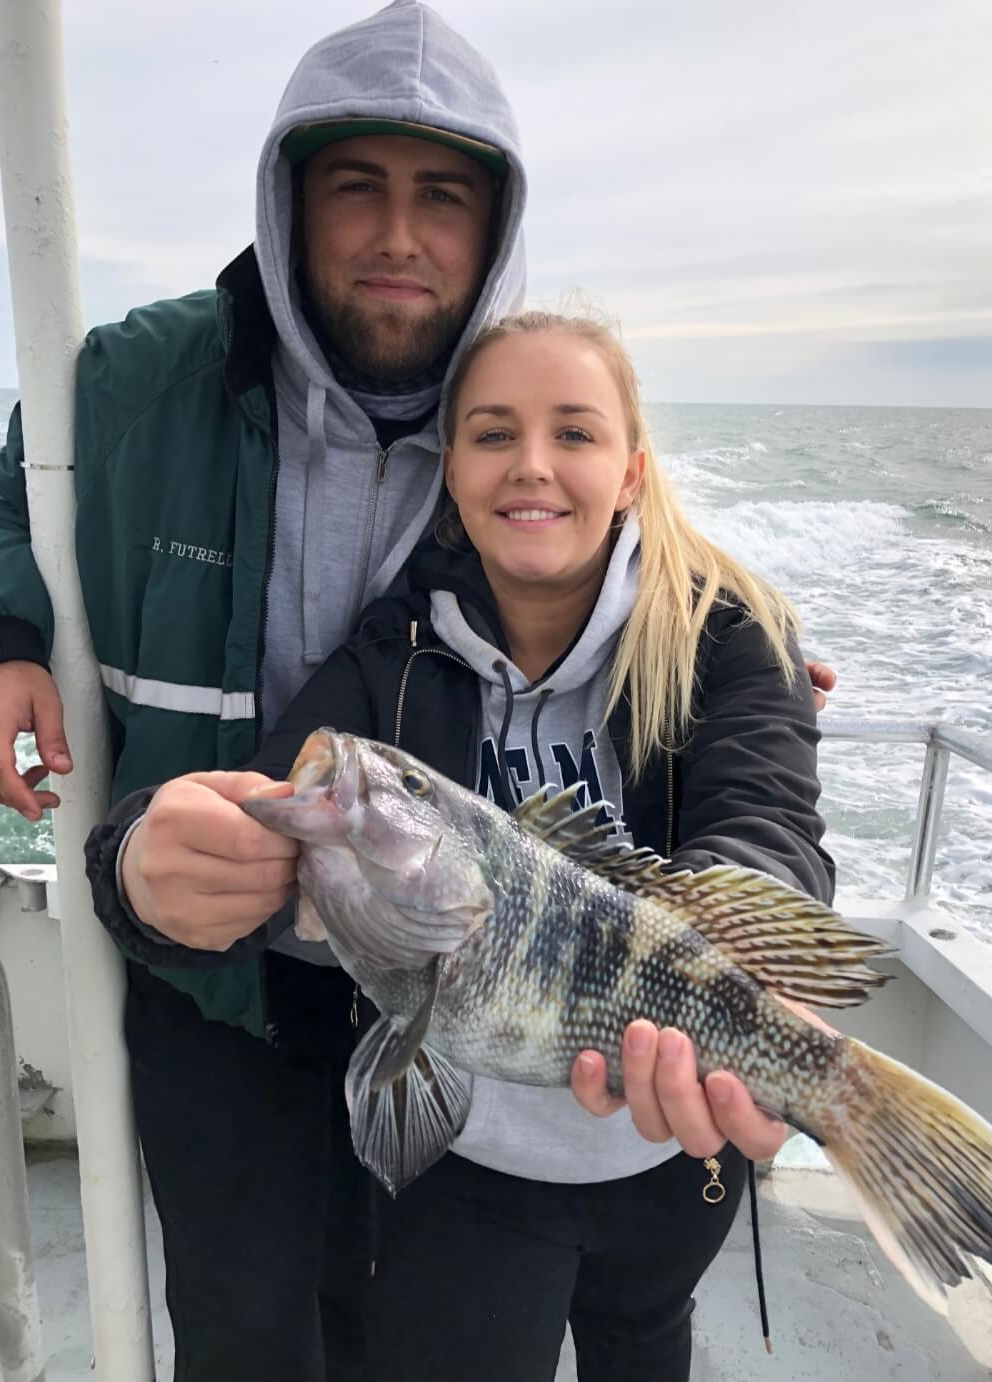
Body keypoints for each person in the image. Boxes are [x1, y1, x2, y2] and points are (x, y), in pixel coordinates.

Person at [0, 3, 834, 1376]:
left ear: (496, 231)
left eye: (443, 195)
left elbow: (685, 638)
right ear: (285, 199)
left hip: (449, 991)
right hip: (226, 987)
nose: (395, 234)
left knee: (396, 1321)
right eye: (353, 185)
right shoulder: (139, 382)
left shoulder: (523, 445)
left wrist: (760, 656)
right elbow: (1, 500)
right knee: (244, 1323)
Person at [87, 309, 835, 1382]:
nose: (533, 463)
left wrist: (749, 958)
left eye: (573, 433)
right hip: (471, 1169)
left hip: (679, 1153)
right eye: (492, 433)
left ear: (630, 472)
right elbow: (246, 800)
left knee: (647, 1344)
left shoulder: (734, 634)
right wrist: (136, 865)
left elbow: (765, 813)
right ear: (453, 473)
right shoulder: (387, 658)